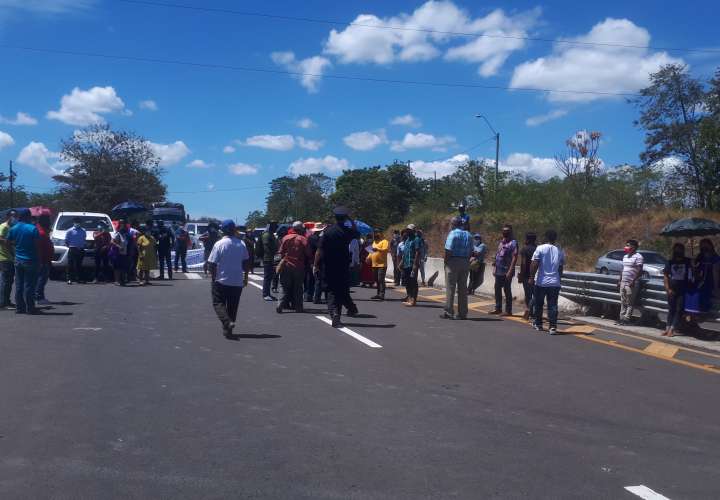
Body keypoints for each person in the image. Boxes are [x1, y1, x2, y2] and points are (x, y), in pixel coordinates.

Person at [315, 207, 358, 327]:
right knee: (342, 289)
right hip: (343, 265)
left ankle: (335, 313)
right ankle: (349, 309)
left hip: (328, 265)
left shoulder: (328, 231)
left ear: (335, 217)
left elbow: (319, 249)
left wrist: (315, 264)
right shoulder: (347, 231)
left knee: (330, 291)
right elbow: (356, 232)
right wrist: (351, 220)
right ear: (345, 218)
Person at [208, 219, 250, 338]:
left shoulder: (219, 244)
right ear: (234, 230)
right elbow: (246, 262)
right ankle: (228, 330)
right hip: (237, 281)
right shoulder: (241, 244)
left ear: (222, 231)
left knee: (218, 303)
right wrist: (245, 277)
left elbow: (212, 263)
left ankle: (227, 322)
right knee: (233, 306)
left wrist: (213, 278)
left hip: (221, 280)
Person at [529, 230, 565, 335]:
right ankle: (552, 327)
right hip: (554, 282)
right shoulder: (559, 250)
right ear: (555, 238)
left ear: (546, 237)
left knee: (539, 304)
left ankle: (538, 324)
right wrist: (559, 278)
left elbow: (535, 263)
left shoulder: (540, 248)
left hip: (541, 282)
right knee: (553, 305)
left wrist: (531, 277)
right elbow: (561, 267)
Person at [7, 208, 40, 314]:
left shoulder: (13, 228)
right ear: (28, 217)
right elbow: (37, 245)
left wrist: (13, 253)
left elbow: (7, 243)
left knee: (19, 284)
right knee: (29, 284)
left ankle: (19, 308)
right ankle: (30, 308)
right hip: (31, 259)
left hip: (18, 259)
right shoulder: (32, 228)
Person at [441, 216, 473, 320]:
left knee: (451, 288)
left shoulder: (453, 233)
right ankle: (462, 313)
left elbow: (448, 250)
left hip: (453, 261)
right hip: (465, 261)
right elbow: (471, 251)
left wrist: (446, 262)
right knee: (463, 289)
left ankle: (449, 311)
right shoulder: (469, 235)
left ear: (453, 224)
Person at [276, 221, 311, 314]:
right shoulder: (303, 239)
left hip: (286, 265)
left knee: (283, 286)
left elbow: (281, 252)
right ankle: (298, 307)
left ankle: (280, 304)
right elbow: (308, 253)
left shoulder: (285, 238)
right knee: (298, 288)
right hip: (299, 266)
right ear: (300, 229)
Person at [663, 243, 690, 337]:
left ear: (683, 251)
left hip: (683, 290)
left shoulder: (687, 261)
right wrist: (667, 289)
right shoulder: (670, 262)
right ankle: (667, 328)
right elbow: (665, 276)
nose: (678, 251)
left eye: (680, 250)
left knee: (679, 310)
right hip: (671, 290)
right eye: (676, 250)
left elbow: (693, 272)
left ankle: (672, 329)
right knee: (671, 309)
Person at [491, 225, 518, 316]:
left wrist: (510, 270)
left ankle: (508, 310)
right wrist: (494, 267)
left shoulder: (513, 243)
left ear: (511, 232)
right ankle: (498, 308)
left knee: (507, 290)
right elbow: (497, 255)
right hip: (499, 269)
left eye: (507, 231)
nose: (505, 233)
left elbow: (515, 257)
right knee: (497, 289)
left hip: (507, 271)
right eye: (503, 231)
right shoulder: (501, 242)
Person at [618, 239, 643, 325]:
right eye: (626, 245)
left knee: (630, 302)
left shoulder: (638, 256)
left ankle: (626, 319)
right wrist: (619, 280)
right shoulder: (625, 257)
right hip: (623, 282)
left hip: (631, 283)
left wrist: (634, 280)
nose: (626, 247)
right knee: (623, 301)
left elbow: (640, 270)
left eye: (628, 245)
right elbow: (623, 269)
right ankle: (621, 318)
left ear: (634, 247)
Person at [695, 239, 720, 314]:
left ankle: (704, 312)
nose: (704, 247)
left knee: (705, 294)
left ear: (710, 245)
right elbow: (696, 268)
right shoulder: (700, 257)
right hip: (701, 281)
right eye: (702, 245)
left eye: (706, 245)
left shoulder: (715, 257)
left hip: (712, 282)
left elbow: (717, 271)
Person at [401, 224, 423, 307]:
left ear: (413, 231)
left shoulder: (416, 239)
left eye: (409, 230)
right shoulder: (407, 240)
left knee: (413, 282)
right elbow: (405, 252)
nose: (407, 231)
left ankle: (414, 300)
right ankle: (409, 298)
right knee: (407, 282)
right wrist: (401, 263)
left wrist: (415, 264)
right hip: (406, 264)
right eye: (407, 229)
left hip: (412, 264)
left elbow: (417, 252)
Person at [518, 232, 538, 321]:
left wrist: (521, 275)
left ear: (528, 239)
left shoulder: (524, 249)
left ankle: (528, 311)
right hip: (536, 275)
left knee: (528, 295)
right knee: (535, 295)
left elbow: (523, 263)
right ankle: (534, 313)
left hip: (526, 275)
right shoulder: (538, 249)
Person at [35, 214, 54, 305]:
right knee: (41, 279)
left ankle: (40, 296)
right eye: (48, 220)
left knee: (42, 279)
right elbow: (40, 247)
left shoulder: (42, 230)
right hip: (42, 259)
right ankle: (38, 297)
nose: (49, 222)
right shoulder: (41, 232)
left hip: (44, 258)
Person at [0, 209, 17, 310]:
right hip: (4, 257)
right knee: (5, 281)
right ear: (8, 216)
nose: (14, 217)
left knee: (9, 281)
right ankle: (3, 303)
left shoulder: (11, 227)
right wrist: (9, 242)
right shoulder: (3, 226)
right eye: (12, 215)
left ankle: (7, 301)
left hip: (10, 257)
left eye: (15, 215)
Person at [259, 221, 279, 301]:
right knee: (267, 277)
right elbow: (266, 247)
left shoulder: (271, 234)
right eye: (275, 226)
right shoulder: (266, 234)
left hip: (271, 258)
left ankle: (268, 293)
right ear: (271, 226)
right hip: (268, 259)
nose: (276, 228)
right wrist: (272, 257)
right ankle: (265, 294)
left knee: (270, 277)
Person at [65, 216, 87, 284]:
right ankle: (69, 279)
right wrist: (70, 247)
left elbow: (84, 239)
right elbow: (66, 241)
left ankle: (78, 279)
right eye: (76, 222)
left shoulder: (83, 230)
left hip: (80, 249)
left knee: (79, 265)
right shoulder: (69, 230)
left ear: (80, 223)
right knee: (70, 265)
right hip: (72, 248)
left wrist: (81, 246)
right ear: (74, 222)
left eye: (78, 222)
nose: (77, 223)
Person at [369, 230, 389, 301]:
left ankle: (382, 294)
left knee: (381, 279)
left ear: (381, 234)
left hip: (382, 264)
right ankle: (378, 294)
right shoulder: (374, 242)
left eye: (377, 233)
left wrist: (377, 249)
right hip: (374, 264)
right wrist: (368, 258)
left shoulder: (384, 241)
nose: (375, 234)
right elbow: (371, 252)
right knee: (376, 279)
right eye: (374, 233)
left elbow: (385, 249)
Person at [110, 220, 130, 286]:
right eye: (121, 225)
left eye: (124, 225)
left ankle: (122, 280)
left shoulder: (125, 234)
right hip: (117, 253)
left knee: (123, 267)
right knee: (117, 268)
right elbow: (112, 241)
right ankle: (117, 280)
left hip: (124, 253)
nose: (123, 227)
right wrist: (119, 246)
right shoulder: (117, 234)